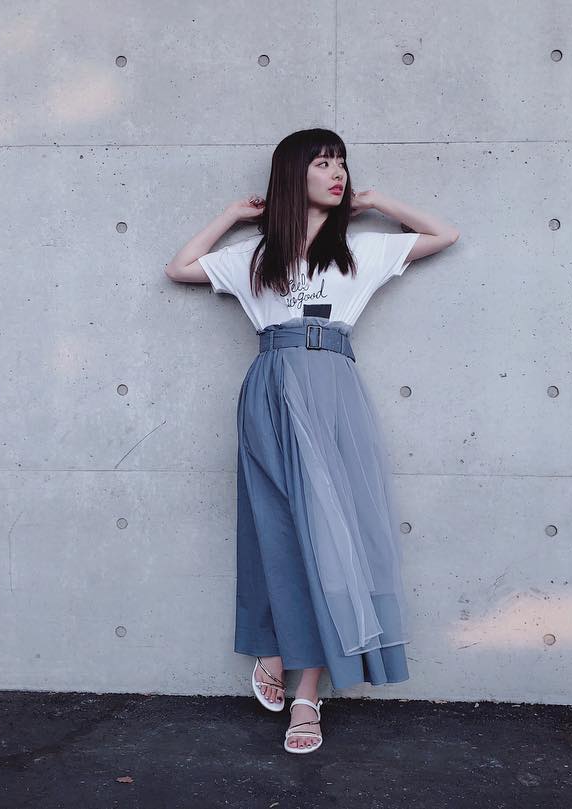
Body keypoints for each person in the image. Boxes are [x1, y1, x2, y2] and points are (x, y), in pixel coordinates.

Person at [164, 128, 460, 753]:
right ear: (292, 174)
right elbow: (180, 268)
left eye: (342, 163)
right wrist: (232, 215)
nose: (337, 173)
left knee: (332, 536)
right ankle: (274, 649)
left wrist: (373, 201)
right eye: (323, 163)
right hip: (271, 387)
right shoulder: (257, 256)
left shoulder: (360, 249)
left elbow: (444, 234)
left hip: (332, 392)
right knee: (275, 528)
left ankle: (307, 694)